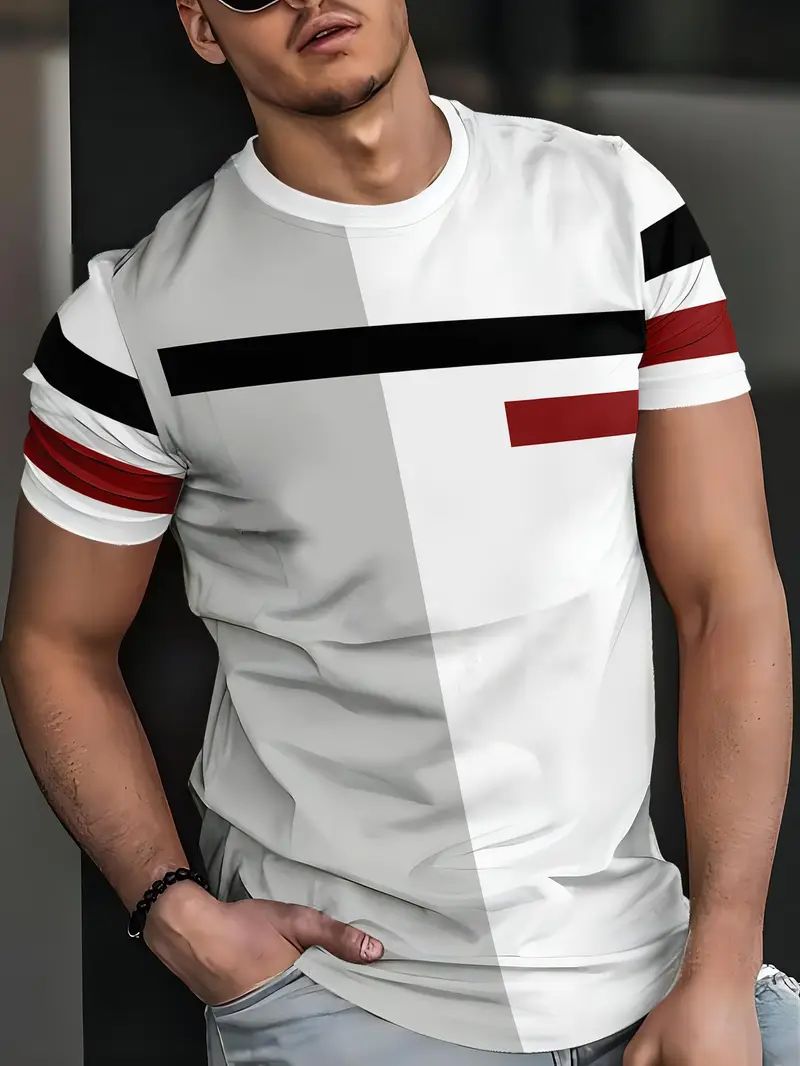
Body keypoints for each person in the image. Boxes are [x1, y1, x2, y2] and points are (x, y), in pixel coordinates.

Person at [0, 0, 796, 1063]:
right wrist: (172, 908)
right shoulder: (130, 323)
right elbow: (54, 642)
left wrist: (724, 961)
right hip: (345, 1008)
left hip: (657, 971)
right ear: (202, 27)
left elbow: (725, 593)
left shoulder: (615, 210)